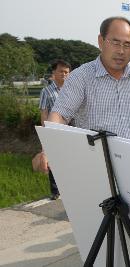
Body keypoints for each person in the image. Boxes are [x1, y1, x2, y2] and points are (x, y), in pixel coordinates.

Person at [48, 16, 130, 143]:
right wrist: (48, 148)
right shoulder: (81, 77)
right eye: (115, 43)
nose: (121, 51)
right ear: (101, 41)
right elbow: (60, 115)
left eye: (127, 45)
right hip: (98, 159)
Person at [39, 59, 71, 200]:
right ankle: (55, 191)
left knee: (70, 160)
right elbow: (44, 113)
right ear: (54, 72)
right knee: (53, 160)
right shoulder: (46, 91)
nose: (64, 74)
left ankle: (71, 186)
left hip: (71, 132)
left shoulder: (72, 90)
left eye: (66, 72)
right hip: (54, 131)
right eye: (61, 71)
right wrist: (46, 134)